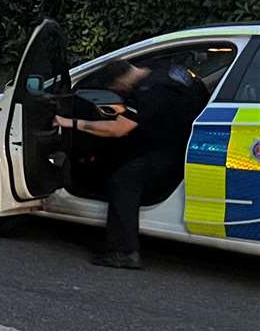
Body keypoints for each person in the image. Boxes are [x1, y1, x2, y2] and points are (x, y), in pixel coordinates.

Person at [54, 59, 204, 269]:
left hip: (165, 154)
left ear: (120, 81)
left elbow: (118, 129)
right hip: (185, 143)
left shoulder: (148, 91)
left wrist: (71, 123)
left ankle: (123, 251)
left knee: (124, 180)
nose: (121, 91)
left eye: (117, 88)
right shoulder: (170, 69)